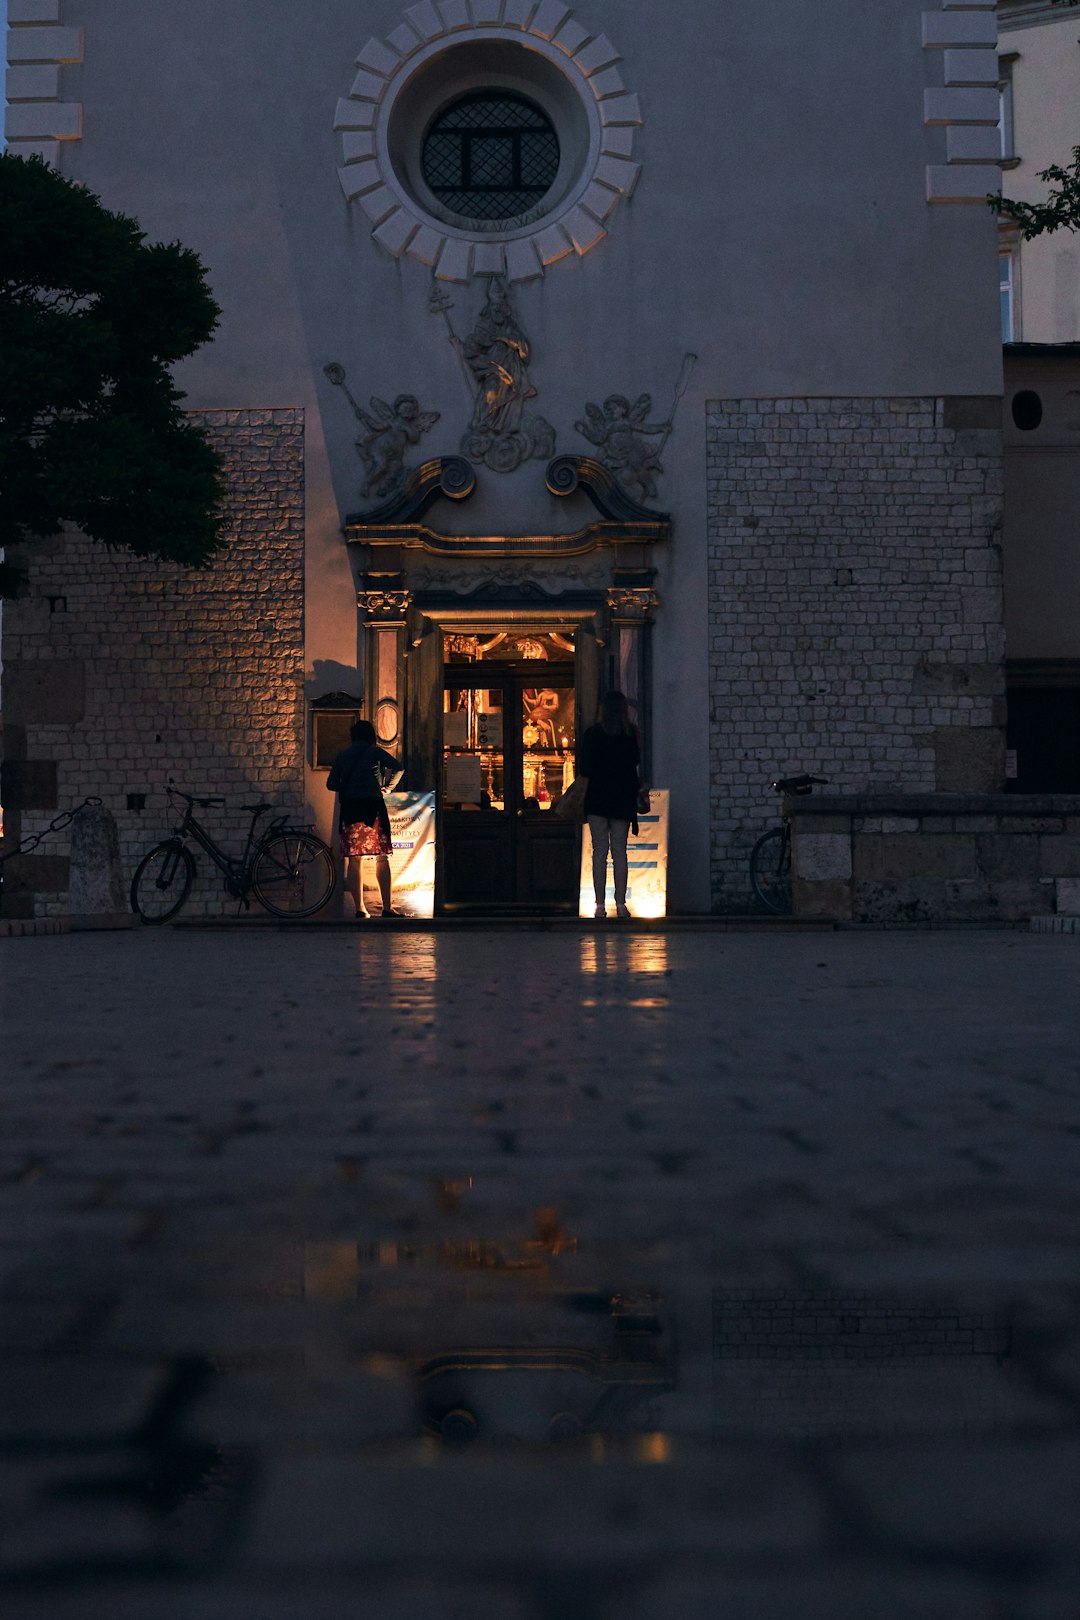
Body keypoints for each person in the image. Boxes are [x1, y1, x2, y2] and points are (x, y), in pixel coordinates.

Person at [578, 691, 645, 920]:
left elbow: (584, 768)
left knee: (599, 852)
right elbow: (634, 763)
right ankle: (621, 904)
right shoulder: (629, 734)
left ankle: (598, 905)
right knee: (620, 852)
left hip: (597, 798)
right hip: (621, 798)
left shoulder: (592, 734)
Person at [326, 719, 402, 919]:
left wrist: (349, 786)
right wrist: (387, 787)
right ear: (371, 736)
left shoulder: (342, 755)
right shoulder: (374, 752)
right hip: (373, 809)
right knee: (382, 857)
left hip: (351, 809)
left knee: (354, 859)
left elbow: (331, 783)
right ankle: (387, 908)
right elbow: (398, 767)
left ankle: (360, 909)